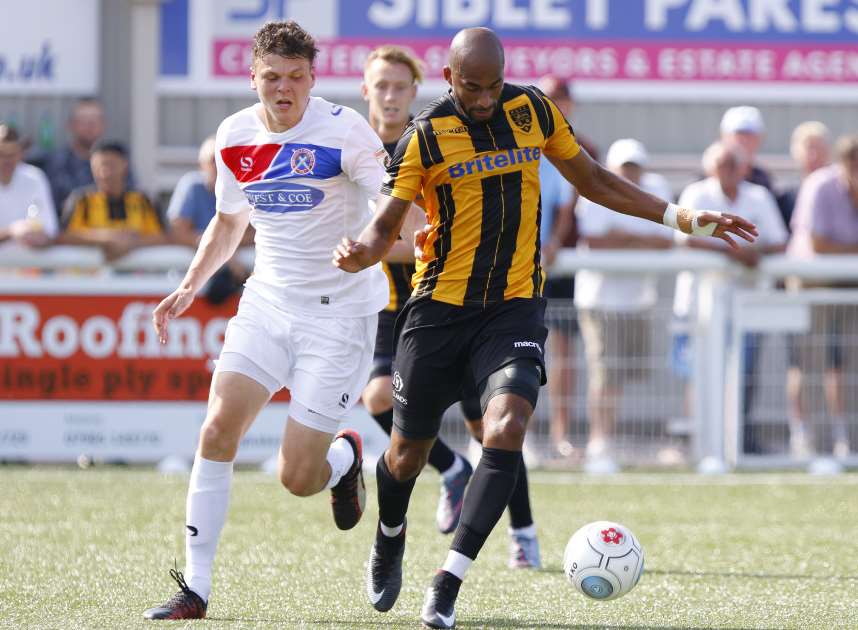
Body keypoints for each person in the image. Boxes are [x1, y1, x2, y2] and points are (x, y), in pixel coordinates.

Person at [333, 27, 756, 629]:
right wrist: (359, 252)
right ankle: (390, 532)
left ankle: (448, 581)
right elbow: (384, 228)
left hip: (514, 307)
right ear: (450, 80)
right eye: (471, 87)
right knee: (405, 456)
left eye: (492, 85)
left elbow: (594, 181)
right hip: (437, 313)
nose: (484, 99)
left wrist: (682, 217)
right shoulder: (423, 137)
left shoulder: (532, 110)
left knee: (506, 427)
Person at [143, 20, 393, 620]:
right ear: (253, 77)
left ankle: (343, 460)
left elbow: (391, 204)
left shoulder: (344, 131)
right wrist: (188, 284)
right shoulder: (234, 135)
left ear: (312, 78)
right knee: (216, 431)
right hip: (267, 304)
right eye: (272, 77)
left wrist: (394, 240)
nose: (284, 89)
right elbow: (230, 221)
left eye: (296, 77)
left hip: (338, 318)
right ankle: (195, 589)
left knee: (297, 477)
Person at [360, 45, 474, 536]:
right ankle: (451, 469)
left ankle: (522, 531)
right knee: (378, 398)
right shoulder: (352, 147)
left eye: (399, 87)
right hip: (382, 304)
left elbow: (421, 239)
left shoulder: (426, 144)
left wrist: (370, 246)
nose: (389, 96)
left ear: (414, 92)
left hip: (438, 297)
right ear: (365, 90)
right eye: (380, 85)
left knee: (488, 422)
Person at [672, 141, 787, 455]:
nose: (727, 171)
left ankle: (737, 441)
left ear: (742, 168)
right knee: (697, 374)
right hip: (699, 305)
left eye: (732, 164)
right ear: (711, 168)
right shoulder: (696, 194)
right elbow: (685, 240)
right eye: (721, 164)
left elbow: (778, 242)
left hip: (746, 305)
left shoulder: (759, 196)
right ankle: (697, 443)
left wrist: (752, 253)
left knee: (744, 376)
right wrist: (736, 253)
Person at [575, 139, 674, 473]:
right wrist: (639, 238)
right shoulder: (593, 190)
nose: (631, 173)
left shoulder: (655, 188)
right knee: (604, 374)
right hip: (601, 300)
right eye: (625, 168)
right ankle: (599, 443)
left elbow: (666, 240)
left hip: (638, 300)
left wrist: (626, 236)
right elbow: (596, 240)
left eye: (635, 167)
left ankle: (608, 441)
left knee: (621, 376)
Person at [786, 134, 858, 459]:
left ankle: (851, 442)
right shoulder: (820, 185)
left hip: (850, 284)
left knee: (849, 366)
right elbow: (819, 243)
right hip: (813, 283)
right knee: (812, 364)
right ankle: (815, 443)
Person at [534, 76, 579, 460]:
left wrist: (554, 244)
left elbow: (567, 208)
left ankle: (561, 433)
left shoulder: (567, 150)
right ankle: (523, 435)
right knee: (520, 355)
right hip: (519, 269)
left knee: (562, 353)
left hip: (553, 267)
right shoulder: (523, 146)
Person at [167, 135, 254, 304]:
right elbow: (178, 233)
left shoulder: (245, 188)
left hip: (236, 276)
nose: (220, 165)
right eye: (214, 160)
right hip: (189, 276)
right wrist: (226, 253)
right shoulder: (192, 186)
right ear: (202, 164)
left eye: (226, 159)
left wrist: (221, 246)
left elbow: (257, 232)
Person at [57, 141, 167, 260]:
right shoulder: (81, 200)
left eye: (111, 165)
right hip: (87, 276)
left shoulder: (144, 200)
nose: (104, 173)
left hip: (139, 276)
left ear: (125, 165)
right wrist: (105, 238)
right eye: (98, 167)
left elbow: (162, 237)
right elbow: (64, 236)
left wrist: (131, 243)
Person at [40, 98, 109, 214]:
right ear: (70, 125)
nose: (90, 127)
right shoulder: (57, 162)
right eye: (84, 121)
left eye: (94, 122)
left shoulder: (117, 161)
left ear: (103, 125)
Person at [0, 124, 58, 247]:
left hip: (27, 264)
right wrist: (11, 231)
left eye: (12, 154)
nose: (6, 160)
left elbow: (49, 229)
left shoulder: (35, 177)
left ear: (21, 154)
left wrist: (39, 237)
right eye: (2, 153)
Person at [777, 121, 832, 229]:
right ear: (797, 152)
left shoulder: (841, 191)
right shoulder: (785, 195)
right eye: (810, 148)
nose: (815, 155)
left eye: (820, 148)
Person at [719, 105, 775, 193]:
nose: (744, 142)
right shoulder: (703, 180)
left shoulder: (763, 180)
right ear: (724, 137)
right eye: (739, 135)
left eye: (749, 136)